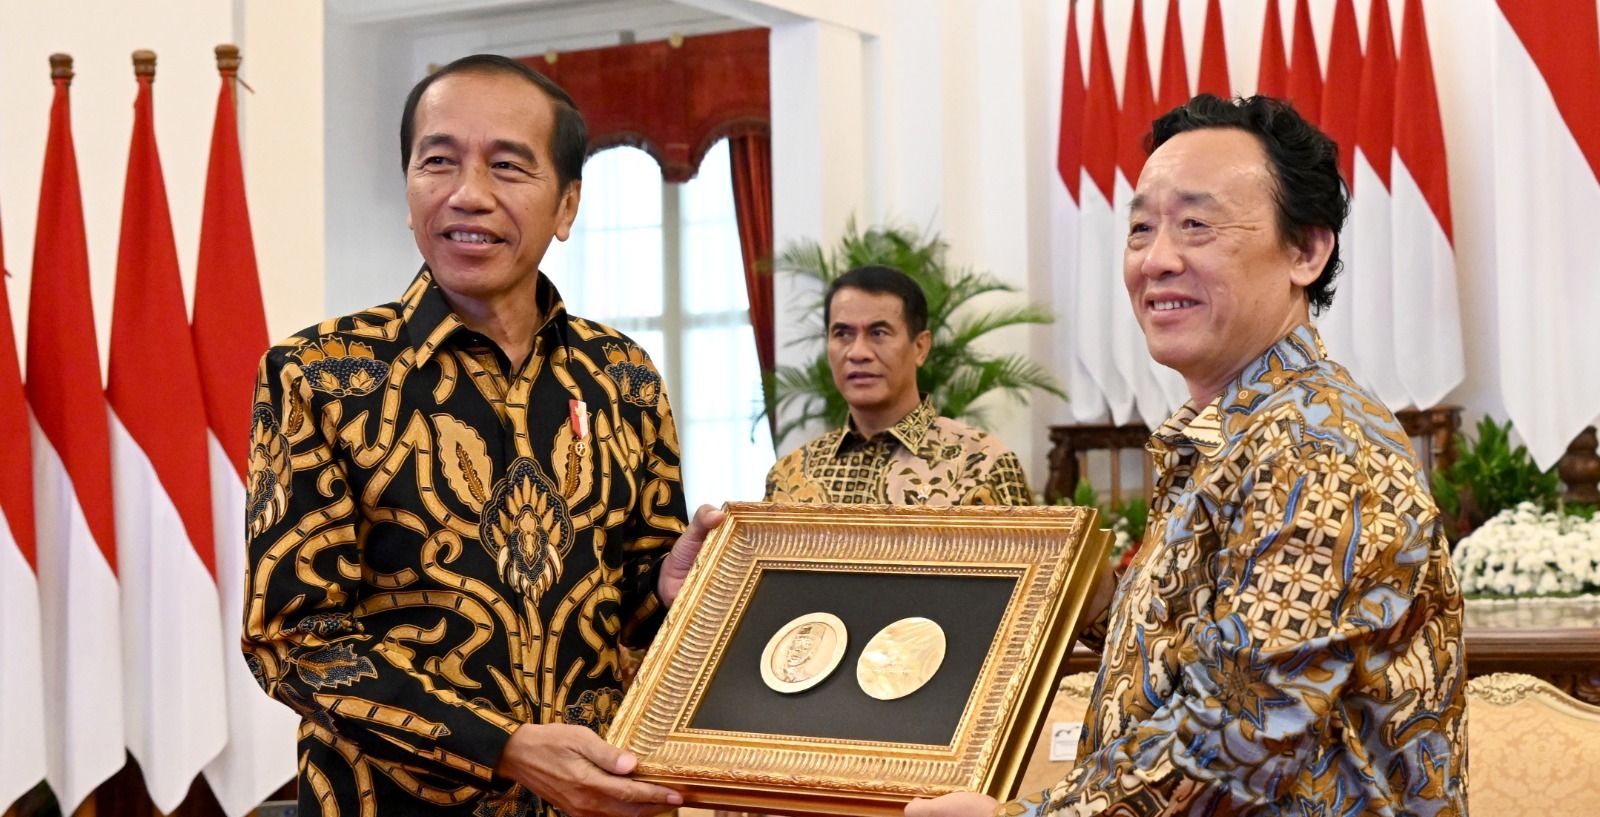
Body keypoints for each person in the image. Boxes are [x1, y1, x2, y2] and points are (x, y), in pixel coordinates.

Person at [910, 95, 1466, 817]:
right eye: (1141, 228)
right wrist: (1096, 602)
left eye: (1196, 225)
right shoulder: (1229, 430)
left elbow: (1241, 721)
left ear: (1306, 250)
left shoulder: (1315, 451)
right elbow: (1214, 650)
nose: (1157, 259)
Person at [242, 54, 722, 817]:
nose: (469, 194)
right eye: (439, 161)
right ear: (408, 190)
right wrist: (500, 745)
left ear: (567, 206)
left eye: (508, 166)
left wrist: (671, 587)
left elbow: (632, 615)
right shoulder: (322, 376)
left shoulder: (623, 376)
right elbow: (296, 641)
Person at [764, 265, 1031, 506]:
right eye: (842, 334)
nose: (858, 353)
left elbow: (1028, 560)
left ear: (920, 347)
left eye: (878, 333)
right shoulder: (791, 475)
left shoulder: (982, 464)